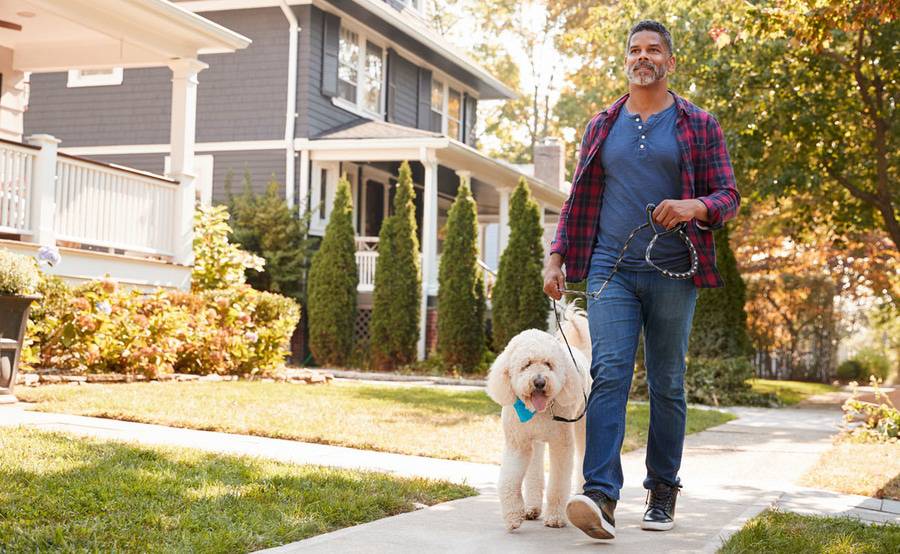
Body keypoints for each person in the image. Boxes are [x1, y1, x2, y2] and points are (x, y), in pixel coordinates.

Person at [543, 20, 740, 540]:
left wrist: (694, 205)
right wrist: (556, 256)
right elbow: (577, 198)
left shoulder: (699, 124)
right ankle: (601, 494)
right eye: (635, 49)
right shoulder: (601, 124)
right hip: (611, 266)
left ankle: (662, 488)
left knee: (667, 381)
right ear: (626, 60)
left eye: (654, 50)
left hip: (674, 269)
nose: (643, 56)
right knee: (608, 372)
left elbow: (728, 196)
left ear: (669, 62)